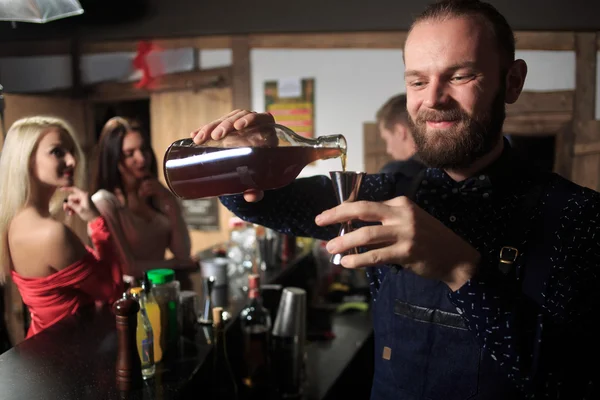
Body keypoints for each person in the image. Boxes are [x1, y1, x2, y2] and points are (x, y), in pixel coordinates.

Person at [189, 1, 600, 399]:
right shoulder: (386, 190)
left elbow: (573, 381)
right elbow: (260, 205)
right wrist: (246, 159)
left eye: (459, 76)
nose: (433, 98)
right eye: (418, 81)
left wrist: (461, 269)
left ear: (511, 81)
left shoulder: (577, 216)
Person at [0, 116, 123, 338]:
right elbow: (112, 290)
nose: (72, 161)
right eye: (57, 152)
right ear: (26, 159)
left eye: (71, 151)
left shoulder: (12, 224)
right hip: (67, 357)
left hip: (41, 350)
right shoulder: (50, 233)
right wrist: (96, 222)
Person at [91, 117, 196, 284]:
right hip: (132, 293)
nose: (141, 158)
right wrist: (175, 264)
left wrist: (171, 201)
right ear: (114, 159)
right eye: (129, 153)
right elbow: (128, 267)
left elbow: (182, 252)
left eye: (144, 149)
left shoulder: (155, 192)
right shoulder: (105, 202)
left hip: (163, 286)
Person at [375, 93, 425, 177]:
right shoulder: (449, 166)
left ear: (399, 132)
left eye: (386, 139)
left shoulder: (396, 174)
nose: (388, 150)